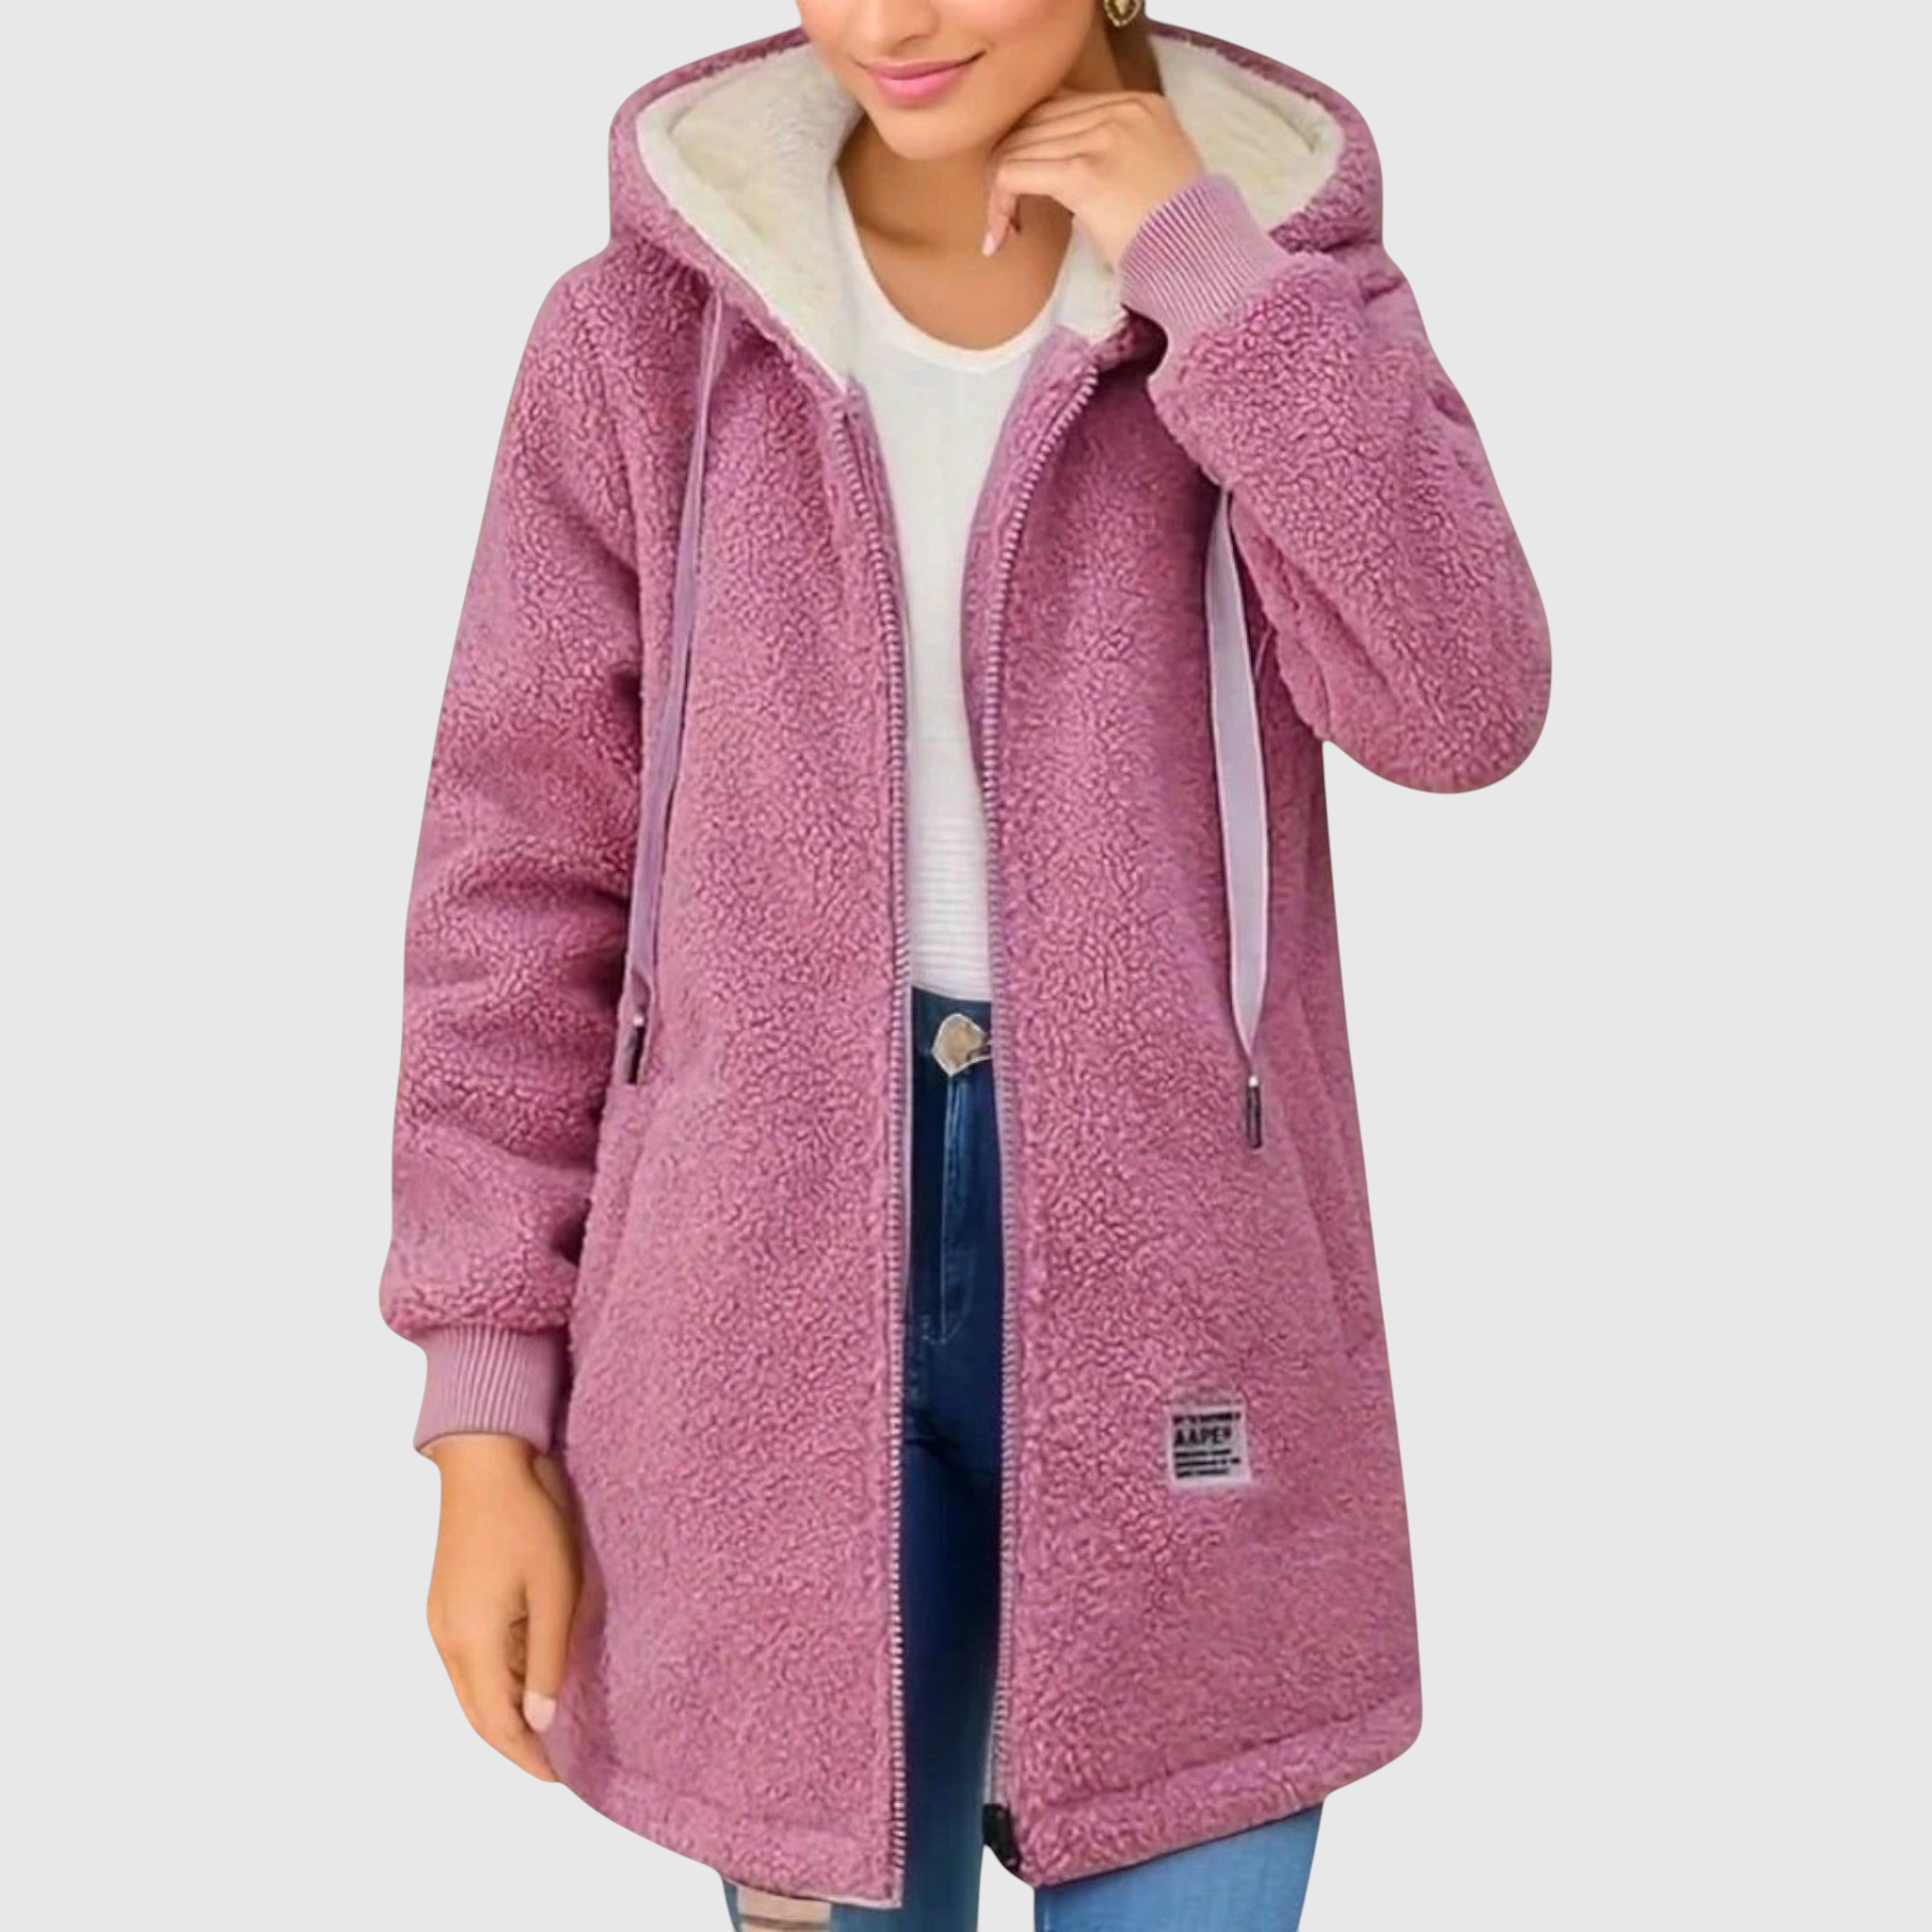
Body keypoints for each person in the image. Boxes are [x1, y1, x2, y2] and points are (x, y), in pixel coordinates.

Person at [376, 5, 1551, 1927]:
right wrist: (484, 1407)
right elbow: (517, 877)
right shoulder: (646, 337)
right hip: (755, 1295)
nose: (890, 20)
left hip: (1186, 1280)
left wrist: (1207, 276)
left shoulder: (1275, 281)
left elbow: (1460, 704)